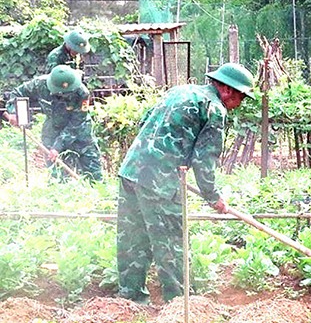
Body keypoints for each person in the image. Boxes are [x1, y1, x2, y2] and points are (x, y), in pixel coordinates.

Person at [116, 63, 255, 304]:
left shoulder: (179, 91)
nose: (239, 104)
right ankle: (179, 306)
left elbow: (145, 121)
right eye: (241, 97)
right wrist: (213, 196)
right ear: (228, 91)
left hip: (131, 170)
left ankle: (130, 299)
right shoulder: (214, 109)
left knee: (133, 239)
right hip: (160, 181)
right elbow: (204, 160)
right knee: (172, 244)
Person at [4, 65, 103, 181]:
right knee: (57, 175)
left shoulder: (82, 93)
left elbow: (77, 122)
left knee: (95, 174)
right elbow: (17, 93)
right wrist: (14, 112)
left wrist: (58, 146)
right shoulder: (39, 84)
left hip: (79, 131)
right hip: (52, 129)